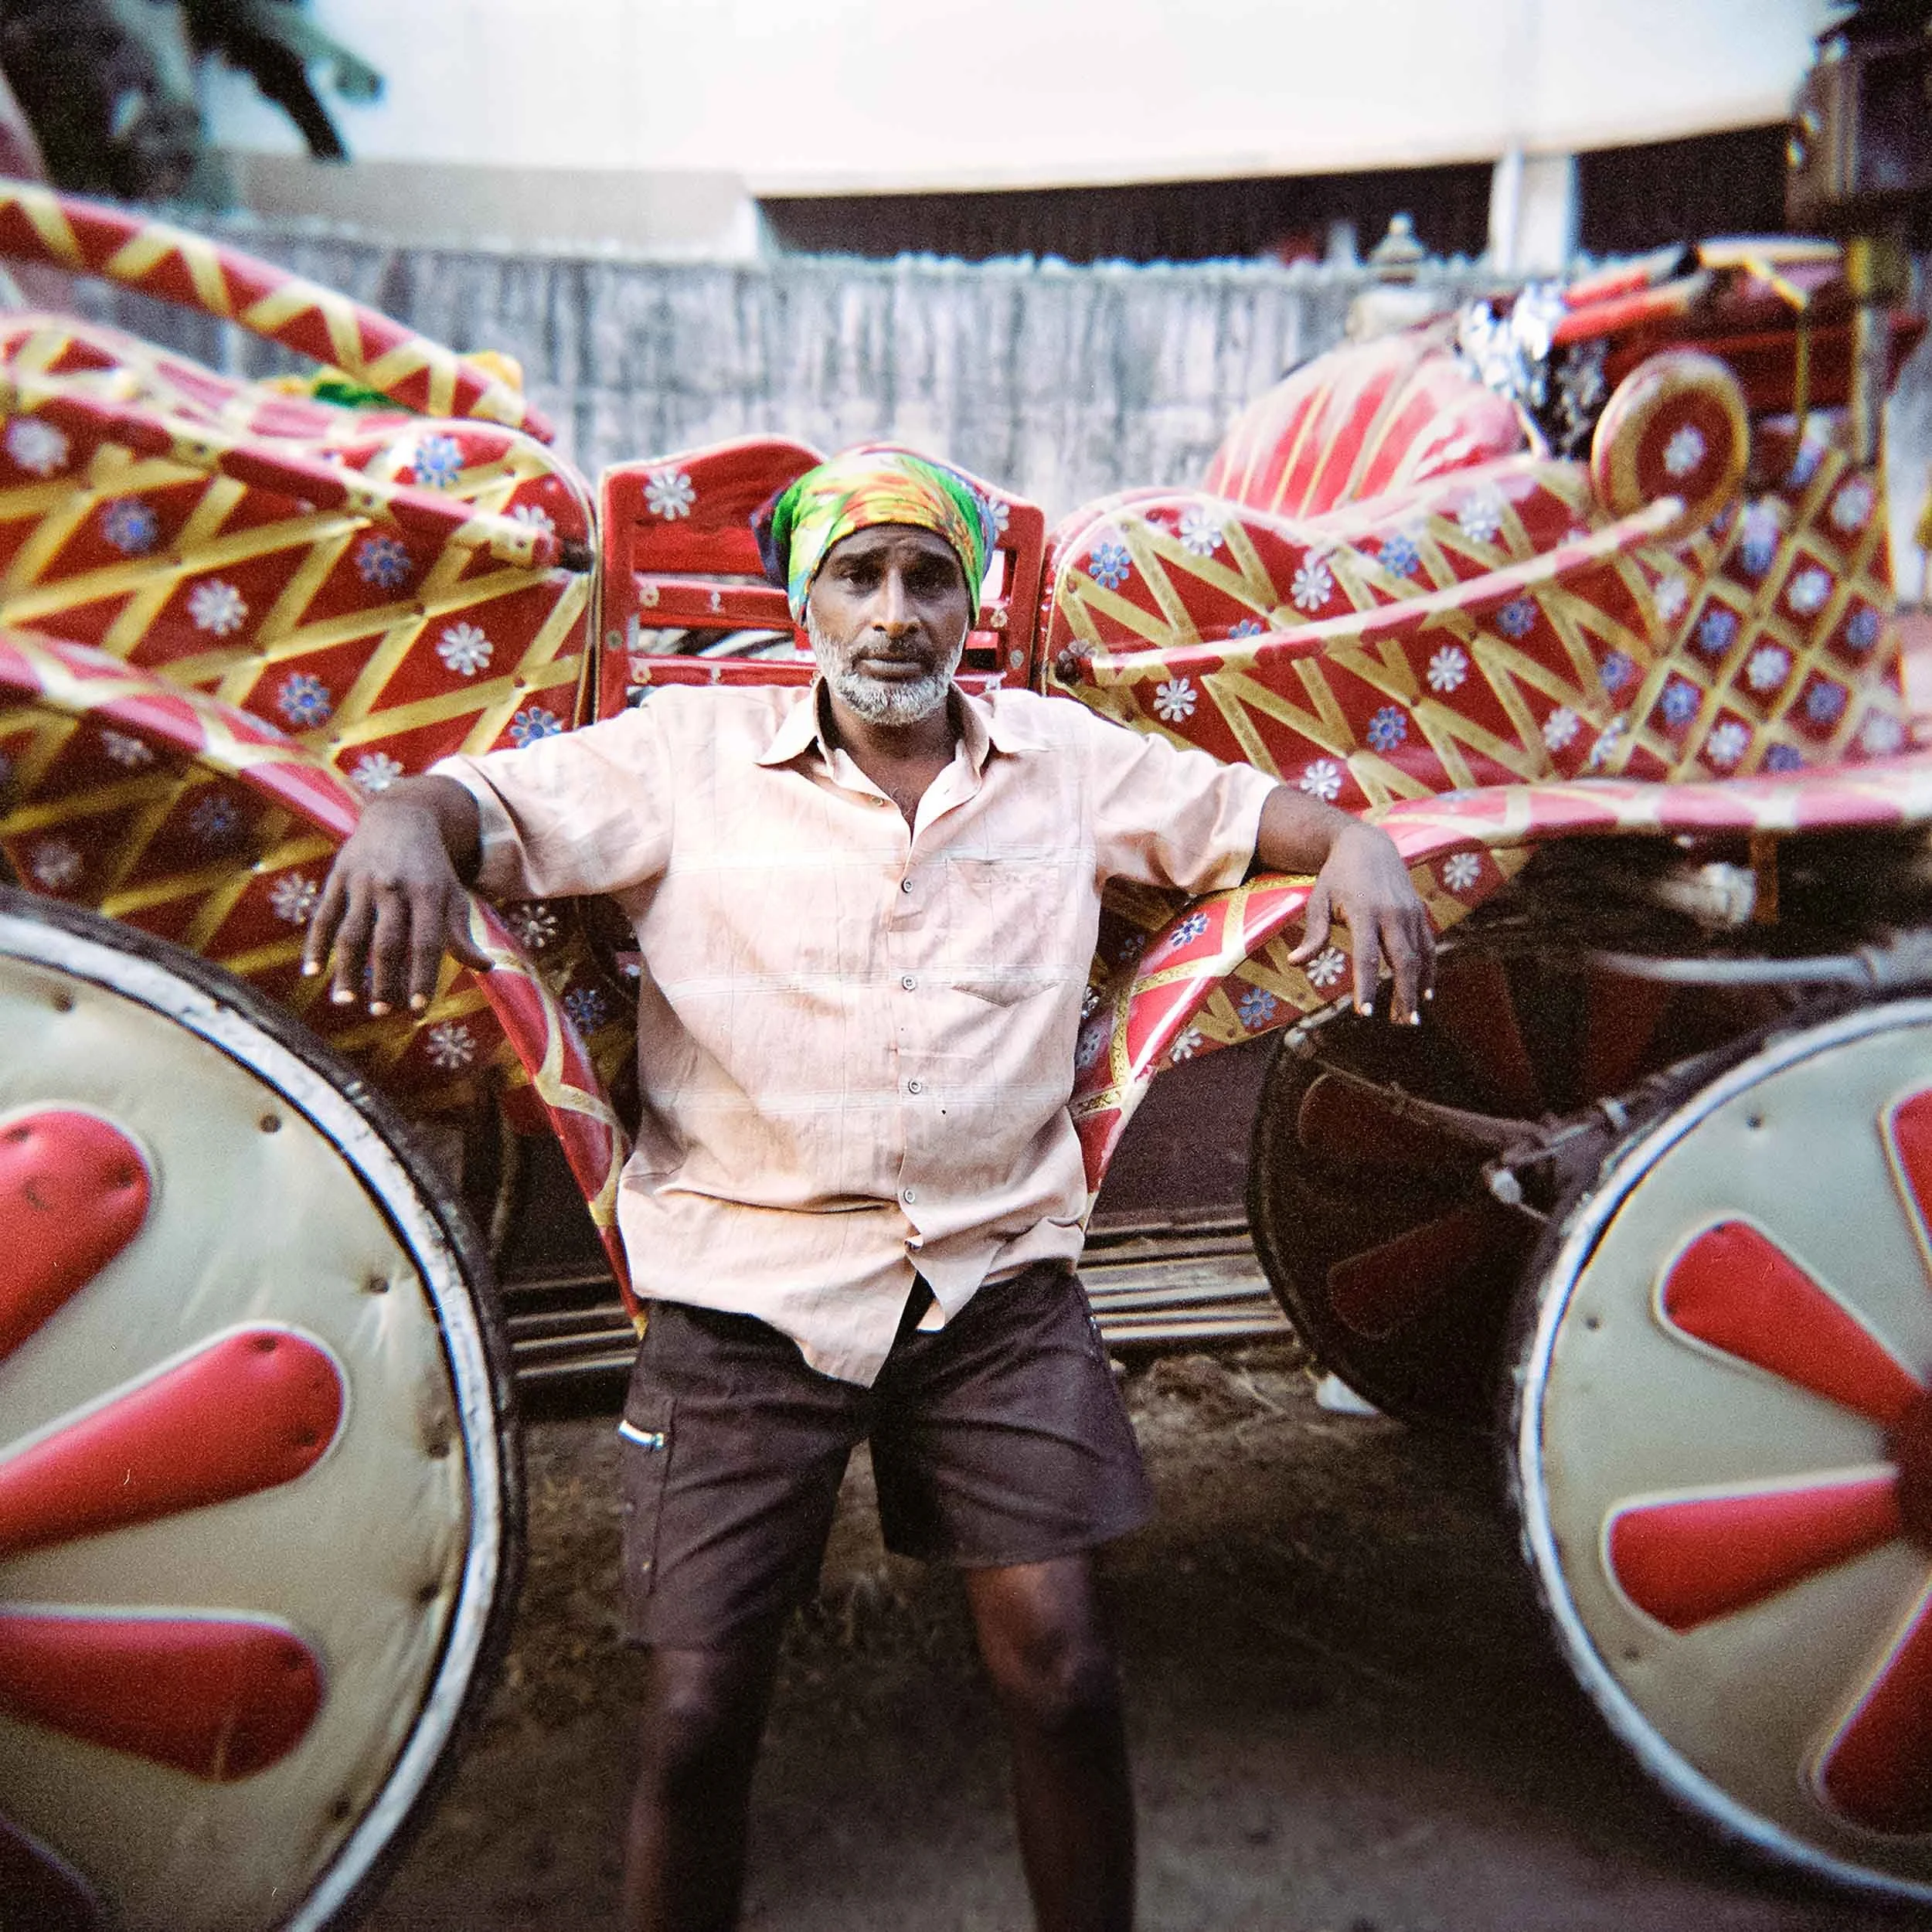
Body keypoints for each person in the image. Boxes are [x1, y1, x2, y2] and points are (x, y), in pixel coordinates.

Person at [302, 446, 1435, 1932]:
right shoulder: (683, 756)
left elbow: (1241, 812)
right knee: (699, 1716)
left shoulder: (1063, 761)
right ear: (805, 606)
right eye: (860, 576)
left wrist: (1356, 841)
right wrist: (400, 815)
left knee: (1066, 1673)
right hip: (744, 1284)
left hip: (991, 1285)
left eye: (928, 577)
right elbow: (476, 805)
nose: (896, 613)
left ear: (968, 606)